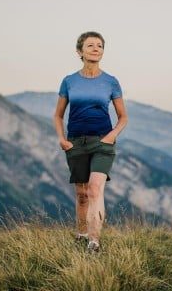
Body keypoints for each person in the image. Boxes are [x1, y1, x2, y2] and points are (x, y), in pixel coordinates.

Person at [53, 31, 129, 253]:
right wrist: (62, 139)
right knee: (82, 193)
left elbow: (123, 116)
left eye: (99, 45)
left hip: (102, 143)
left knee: (95, 189)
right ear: (80, 51)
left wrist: (112, 136)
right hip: (75, 142)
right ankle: (82, 234)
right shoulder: (69, 81)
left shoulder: (111, 82)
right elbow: (58, 115)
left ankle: (94, 242)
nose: (96, 48)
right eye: (90, 45)